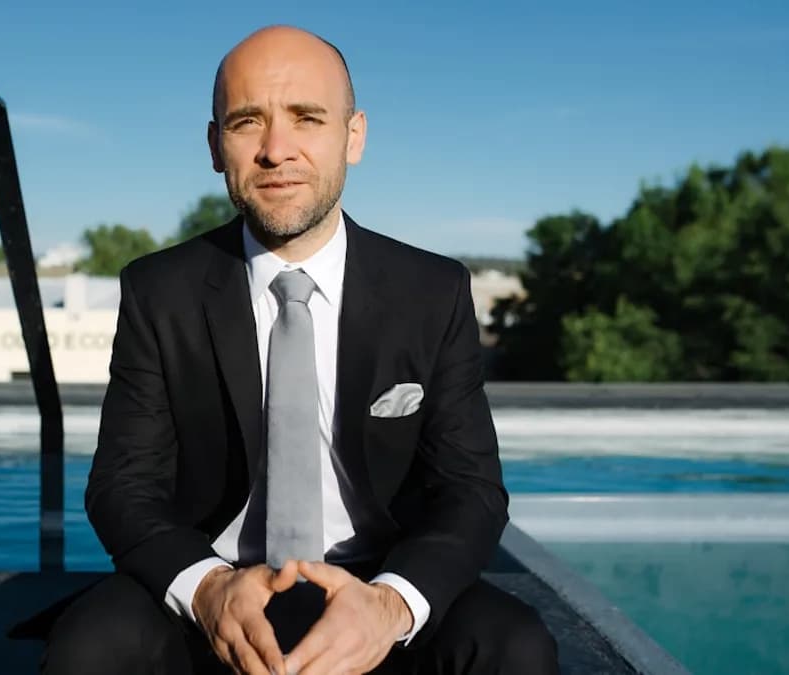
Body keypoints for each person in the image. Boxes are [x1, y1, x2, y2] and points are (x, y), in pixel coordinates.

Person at [32, 24, 559, 675]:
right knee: (91, 649)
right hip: (218, 582)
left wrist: (391, 605)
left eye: (307, 118)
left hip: (375, 583)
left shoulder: (432, 290)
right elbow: (122, 485)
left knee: (515, 646)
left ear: (354, 136)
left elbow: (472, 490)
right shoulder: (159, 290)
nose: (276, 150)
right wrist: (206, 588)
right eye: (247, 121)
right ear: (215, 145)